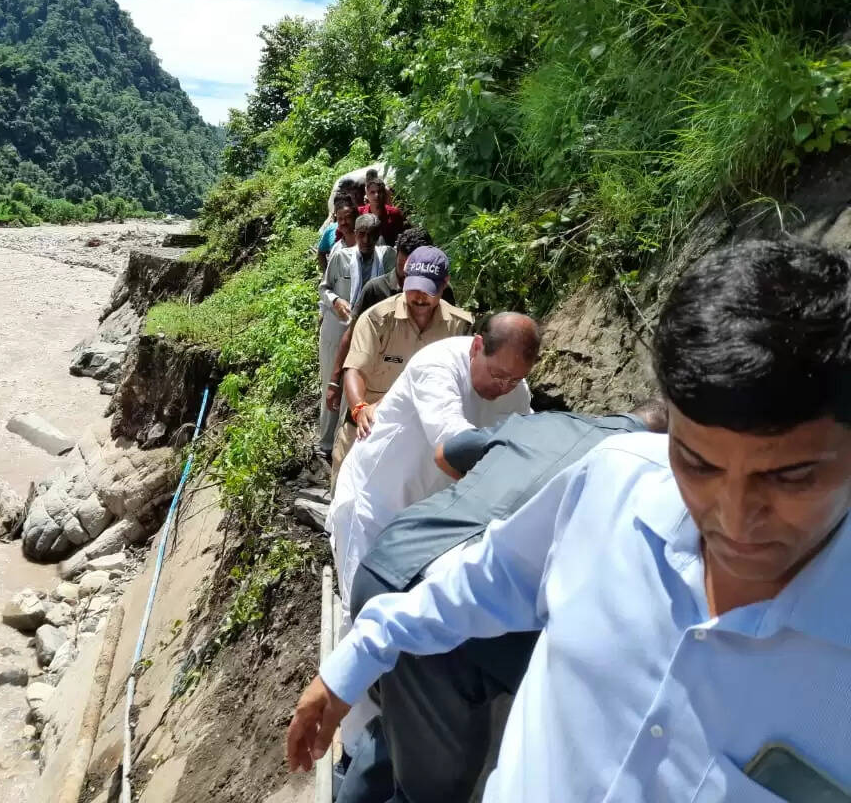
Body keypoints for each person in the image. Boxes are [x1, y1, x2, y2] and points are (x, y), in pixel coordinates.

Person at [289, 238, 851, 803]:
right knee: (387, 722)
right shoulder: (613, 481)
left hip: (424, 533)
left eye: (789, 478)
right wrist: (358, 655)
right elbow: (490, 570)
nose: (732, 517)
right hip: (381, 519)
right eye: (698, 464)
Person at [334, 402, 669, 803]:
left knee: (400, 726)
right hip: (456, 622)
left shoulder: (542, 423)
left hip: (389, 563)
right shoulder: (642, 479)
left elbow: (446, 454)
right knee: (438, 786)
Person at [328, 312, 542, 614]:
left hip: (426, 519)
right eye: (498, 375)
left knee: (411, 617)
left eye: (515, 379)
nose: (503, 387)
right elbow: (452, 442)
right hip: (373, 506)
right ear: (477, 347)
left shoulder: (515, 392)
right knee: (366, 614)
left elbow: (527, 439)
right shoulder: (437, 366)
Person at [331, 246, 472, 480]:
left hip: (419, 438)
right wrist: (359, 408)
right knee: (344, 501)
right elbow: (355, 369)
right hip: (366, 429)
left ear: (445, 283)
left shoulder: (459, 326)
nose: (419, 297)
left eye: (428, 291)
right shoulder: (377, 320)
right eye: (413, 288)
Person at [324, 229, 451, 417]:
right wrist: (335, 381)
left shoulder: (443, 293)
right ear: (396, 254)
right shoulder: (375, 289)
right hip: (372, 388)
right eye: (403, 270)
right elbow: (351, 335)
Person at [318, 213, 395, 455]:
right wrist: (337, 300)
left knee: (359, 382)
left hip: (371, 331)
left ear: (377, 236)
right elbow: (324, 288)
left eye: (371, 235)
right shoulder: (341, 257)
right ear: (355, 233)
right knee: (332, 381)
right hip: (339, 326)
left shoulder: (388, 257)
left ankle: (348, 440)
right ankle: (326, 443)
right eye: (361, 233)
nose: (366, 239)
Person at [358, 175, 406, 247]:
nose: (376, 195)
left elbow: (401, 239)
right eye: (372, 192)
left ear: (384, 193)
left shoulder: (395, 213)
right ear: (367, 195)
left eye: (379, 191)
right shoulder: (359, 213)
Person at [317, 193, 358, 274]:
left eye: (347, 217)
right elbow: (321, 252)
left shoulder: (365, 236)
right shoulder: (331, 233)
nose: (344, 222)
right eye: (340, 218)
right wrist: (326, 274)